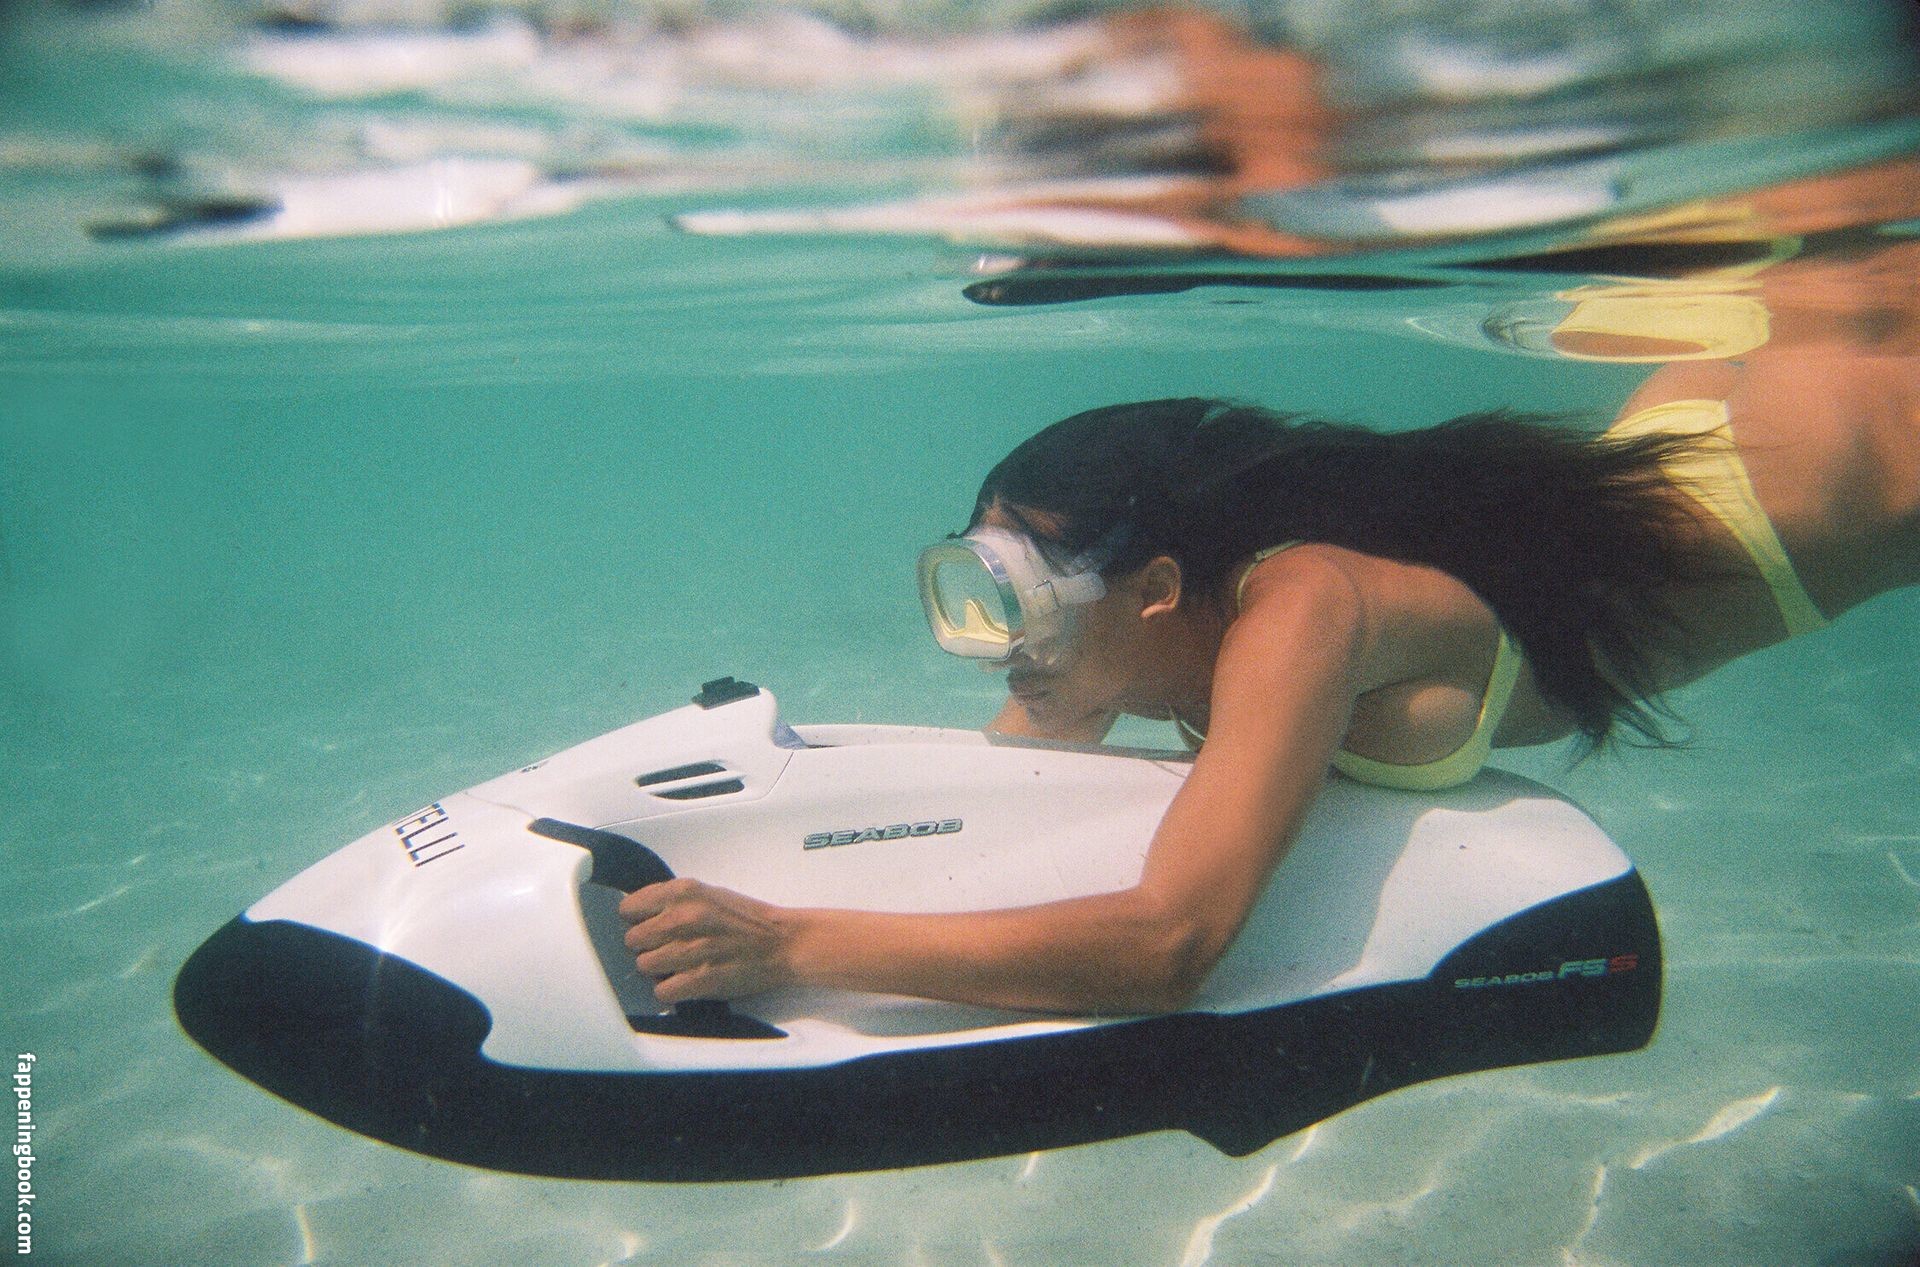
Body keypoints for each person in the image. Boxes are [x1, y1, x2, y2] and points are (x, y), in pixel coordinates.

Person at [620, 342, 1918, 1016]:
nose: (1008, 642)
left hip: (1835, 489)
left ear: (1158, 586)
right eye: (980, 592)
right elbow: (987, 803)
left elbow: (1170, 946)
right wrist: (788, 870)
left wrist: (795, 943)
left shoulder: (1305, 611)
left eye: (1020, 599)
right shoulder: (1120, 633)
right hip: (1705, 438)